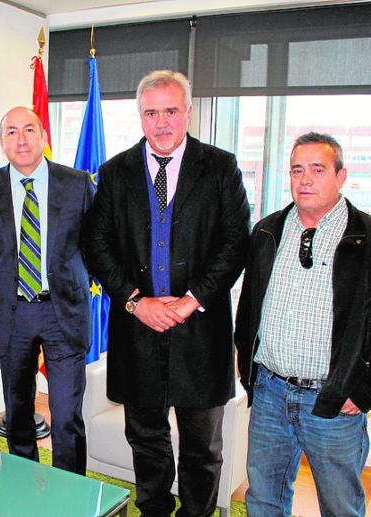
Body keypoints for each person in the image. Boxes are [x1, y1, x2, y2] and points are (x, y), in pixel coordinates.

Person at [85, 70, 250, 517]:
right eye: (151, 112)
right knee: (146, 438)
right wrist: (136, 302)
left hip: (201, 329)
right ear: (140, 116)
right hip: (136, 330)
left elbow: (236, 244)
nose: (162, 122)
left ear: (188, 113)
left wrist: (191, 299)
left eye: (171, 111)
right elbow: (96, 246)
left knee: (202, 446)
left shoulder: (220, 167)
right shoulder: (114, 172)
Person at [235, 132, 371, 517]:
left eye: (317, 169)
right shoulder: (267, 231)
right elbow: (248, 311)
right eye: (297, 170)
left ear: (341, 177)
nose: (305, 179)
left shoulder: (365, 238)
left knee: (341, 506)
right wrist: (251, 373)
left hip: (332, 403)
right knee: (263, 499)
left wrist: (362, 391)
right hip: (271, 394)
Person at [0, 106, 94, 474]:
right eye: (11, 132)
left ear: (43, 136)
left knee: (67, 415)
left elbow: (93, 246)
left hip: (64, 313)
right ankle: (24, 491)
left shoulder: (76, 184)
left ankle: (71, 496)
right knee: (18, 413)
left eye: (28, 130)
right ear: (1, 142)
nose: (21, 139)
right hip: (12, 314)